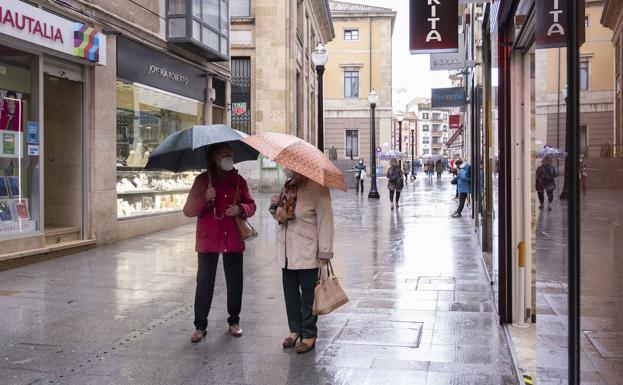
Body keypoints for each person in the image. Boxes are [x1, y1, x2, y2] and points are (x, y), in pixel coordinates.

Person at [184, 144, 257, 343]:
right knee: (204, 283)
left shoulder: (239, 181)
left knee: (235, 282)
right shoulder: (202, 181)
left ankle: (234, 321)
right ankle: (200, 326)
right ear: (214, 158)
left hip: (233, 237)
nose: (228, 158)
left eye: (231, 155)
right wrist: (205, 199)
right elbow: (188, 210)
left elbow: (252, 205)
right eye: (224, 155)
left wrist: (241, 209)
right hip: (209, 238)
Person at [270, 168, 334, 354]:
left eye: (291, 169)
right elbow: (280, 218)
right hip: (287, 252)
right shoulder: (288, 187)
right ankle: (294, 330)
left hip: (308, 251)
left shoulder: (318, 188)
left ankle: (309, 334)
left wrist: (325, 252)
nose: (287, 170)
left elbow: (325, 220)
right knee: (290, 294)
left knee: (308, 296)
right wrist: (275, 206)